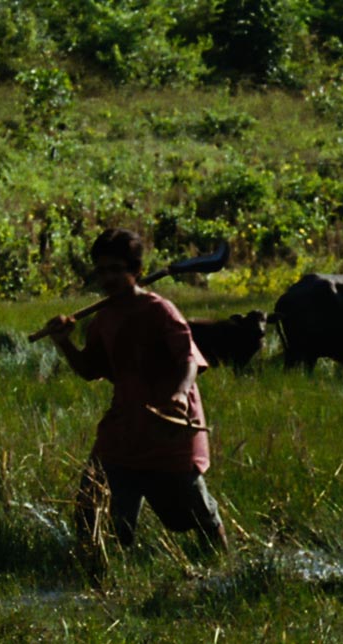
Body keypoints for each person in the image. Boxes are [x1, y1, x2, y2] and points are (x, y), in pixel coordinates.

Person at [40, 229, 226, 583]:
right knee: (92, 507)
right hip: (124, 427)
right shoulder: (103, 320)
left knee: (193, 513)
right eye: (102, 271)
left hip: (168, 424)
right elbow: (89, 370)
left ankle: (223, 573)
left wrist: (180, 394)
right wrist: (63, 343)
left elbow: (189, 361)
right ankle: (96, 580)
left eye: (116, 270)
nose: (108, 278)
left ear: (136, 271)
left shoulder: (160, 310)